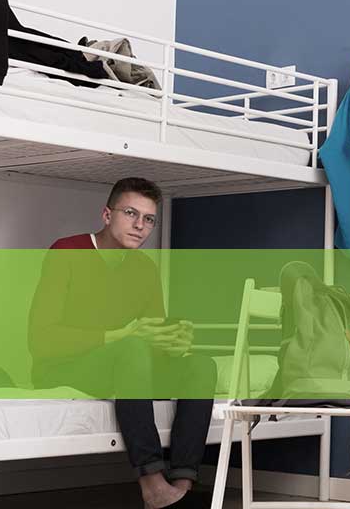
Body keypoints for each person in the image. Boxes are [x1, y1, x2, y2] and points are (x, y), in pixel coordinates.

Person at [29, 177, 217, 509]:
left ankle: (182, 484)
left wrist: (174, 342)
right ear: (107, 215)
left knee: (201, 365)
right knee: (132, 348)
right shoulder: (67, 251)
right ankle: (152, 484)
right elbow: (41, 339)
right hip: (63, 367)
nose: (140, 225)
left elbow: (151, 339)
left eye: (149, 219)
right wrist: (122, 336)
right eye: (131, 213)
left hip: (125, 365)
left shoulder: (144, 268)